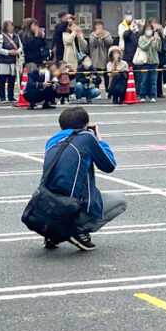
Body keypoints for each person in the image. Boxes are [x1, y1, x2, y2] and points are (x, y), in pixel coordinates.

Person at [42, 106, 125, 251]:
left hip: (49, 206)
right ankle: (76, 230)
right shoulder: (87, 138)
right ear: (85, 125)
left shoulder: (52, 140)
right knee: (121, 200)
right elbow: (109, 165)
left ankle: (54, 232)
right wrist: (99, 139)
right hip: (74, 205)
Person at [132, 21, 160, 102]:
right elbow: (143, 47)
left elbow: (158, 49)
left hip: (154, 61)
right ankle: (142, 95)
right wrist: (150, 41)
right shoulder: (142, 38)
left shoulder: (154, 37)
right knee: (144, 79)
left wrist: (158, 41)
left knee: (153, 80)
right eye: (147, 29)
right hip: (145, 61)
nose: (149, 31)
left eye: (150, 29)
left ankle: (152, 95)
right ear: (144, 30)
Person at [0, 21, 22, 103]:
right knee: (2, 79)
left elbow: (21, 46)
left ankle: (11, 96)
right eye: (10, 26)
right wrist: (8, 52)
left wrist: (17, 51)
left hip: (13, 61)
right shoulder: (1, 37)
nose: (12, 27)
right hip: (3, 61)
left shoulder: (16, 36)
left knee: (12, 80)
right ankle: (2, 96)